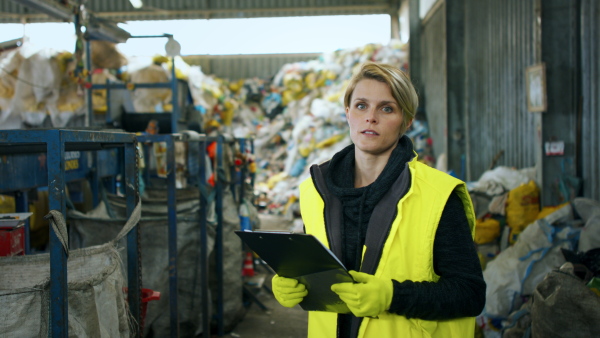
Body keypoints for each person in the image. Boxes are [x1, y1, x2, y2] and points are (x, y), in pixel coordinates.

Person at [271, 62, 486, 337]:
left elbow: (470, 294)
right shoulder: (316, 190)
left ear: (407, 121)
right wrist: (294, 282)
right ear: (347, 112)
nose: (370, 117)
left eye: (387, 108)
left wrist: (392, 296)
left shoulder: (438, 196)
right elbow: (320, 270)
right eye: (361, 105)